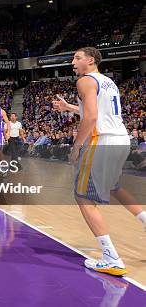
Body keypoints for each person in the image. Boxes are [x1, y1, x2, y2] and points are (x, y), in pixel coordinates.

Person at [52, 47, 146, 276]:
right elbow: (97, 111)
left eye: (77, 57)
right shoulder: (107, 81)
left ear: (90, 60)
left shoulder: (84, 81)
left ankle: (111, 257)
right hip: (121, 139)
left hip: (101, 141)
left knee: (82, 196)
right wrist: (69, 107)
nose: (72, 61)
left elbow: (92, 117)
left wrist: (76, 147)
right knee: (114, 185)